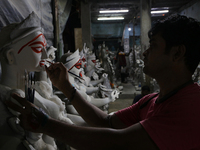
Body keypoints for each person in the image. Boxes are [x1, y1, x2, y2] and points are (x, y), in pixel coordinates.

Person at [5, 14, 200, 149]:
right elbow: (105, 122)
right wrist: (66, 87)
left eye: (154, 46)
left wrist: (46, 124)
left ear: (177, 53)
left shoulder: (191, 108)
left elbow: (117, 143)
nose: (145, 52)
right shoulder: (151, 100)